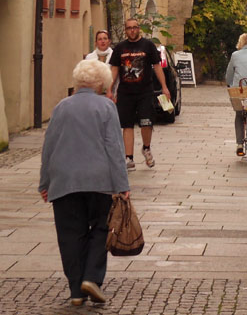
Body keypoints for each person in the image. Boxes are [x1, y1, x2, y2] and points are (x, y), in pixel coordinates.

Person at [38, 59, 130, 306]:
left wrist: (44, 183)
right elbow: (114, 147)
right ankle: (91, 277)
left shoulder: (61, 107)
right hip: (100, 181)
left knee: (70, 235)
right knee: (102, 228)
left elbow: (49, 147)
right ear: (102, 83)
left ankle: (76, 290)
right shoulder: (106, 107)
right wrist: (122, 185)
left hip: (64, 181)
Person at [108, 18, 170, 170]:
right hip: (125, 92)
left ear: (139, 29)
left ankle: (146, 147)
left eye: (135, 27)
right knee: (127, 125)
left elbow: (157, 66)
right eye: (129, 28)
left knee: (146, 123)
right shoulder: (120, 48)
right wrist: (109, 89)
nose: (132, 30)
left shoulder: (148, 45)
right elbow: (114, 69)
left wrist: (164, 87)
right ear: (125, 30)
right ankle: (129, 158)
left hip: (145, 91)